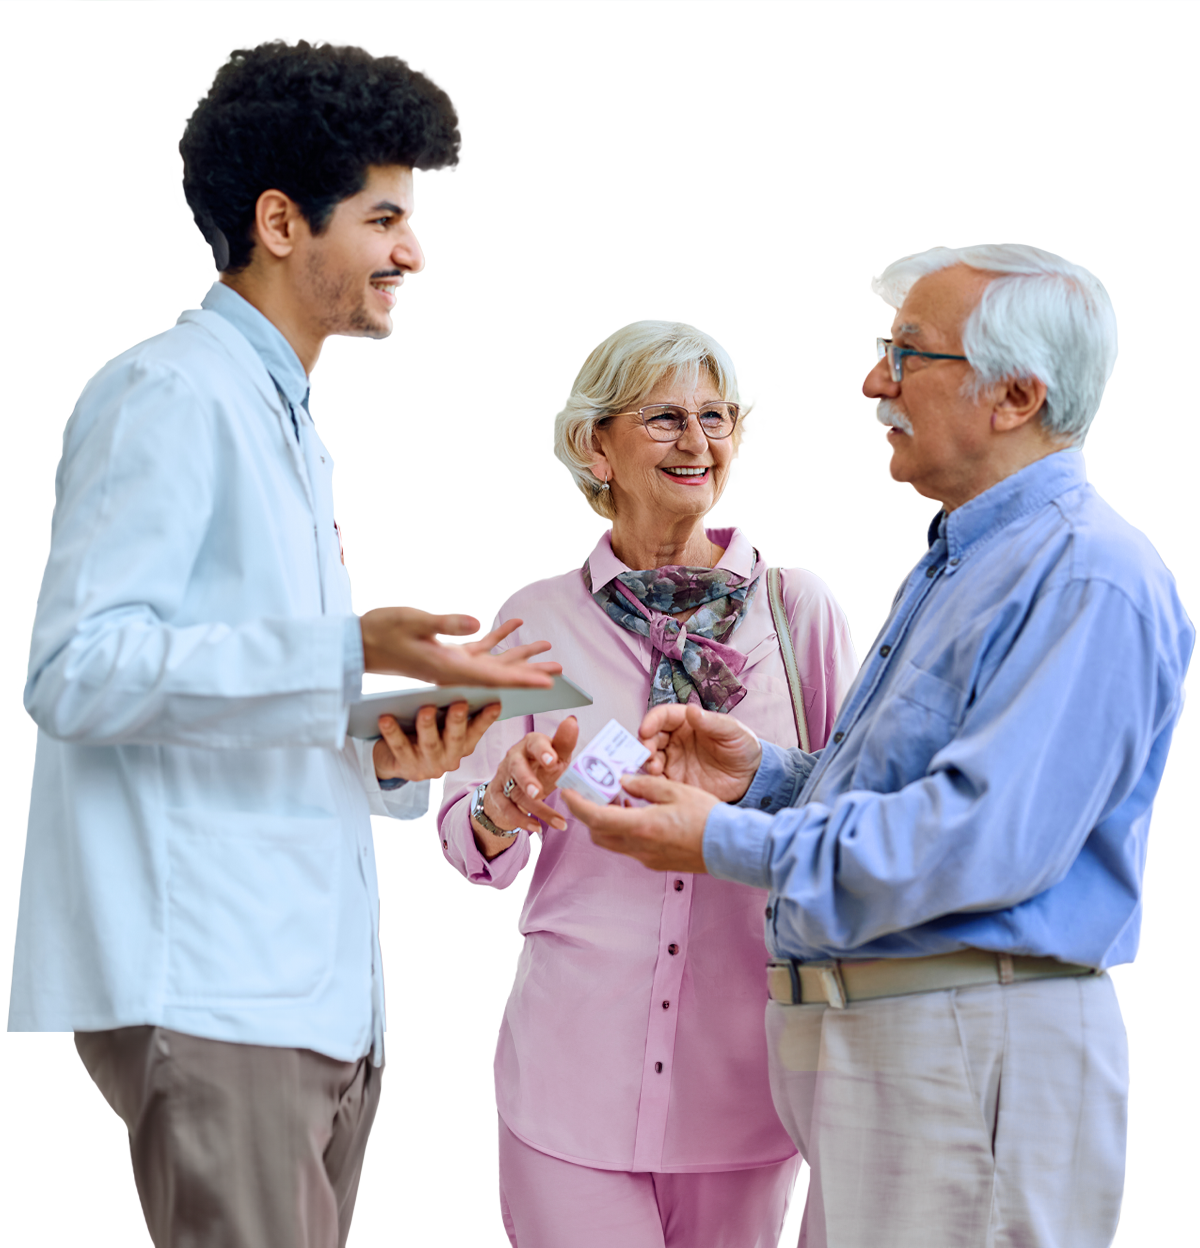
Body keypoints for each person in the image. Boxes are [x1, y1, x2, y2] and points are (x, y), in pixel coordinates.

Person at [7, 37, 558, 1248]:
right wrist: (344, 647)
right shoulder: (170, 394)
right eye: (384, 217)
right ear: (279, 222)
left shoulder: (283, 421)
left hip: (305, 999)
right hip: (217, 990)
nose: (413, 250)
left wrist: (383, 752)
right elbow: (76, 671)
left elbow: (232, 687)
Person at [565, 245, 1196, 1248]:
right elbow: (920, 791)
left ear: (1015, 394)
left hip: (968, 1048)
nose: (870, 381)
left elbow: (981, 841)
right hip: (901, 1050)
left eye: (907, 354)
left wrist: (722, 839)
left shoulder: (1083, 576)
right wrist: (767, 778)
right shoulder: (966, 560)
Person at [438, 320, 859, 1248]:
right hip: (571, 1074)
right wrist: (503, 807)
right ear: (598, 445)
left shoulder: (798, 615)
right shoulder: (532, 622)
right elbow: (465, 847)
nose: (698, 442)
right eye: (665, 417)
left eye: (716, 418)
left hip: (744, 1079)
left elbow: (857, 812)